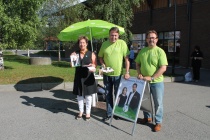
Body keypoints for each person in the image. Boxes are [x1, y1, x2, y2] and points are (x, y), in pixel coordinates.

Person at [135, 30, 168, 132]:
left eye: (153, 38)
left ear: (156, 40)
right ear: (146, 39)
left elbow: (163, 68)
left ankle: (158, 122)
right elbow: (137, 64)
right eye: (149, 38)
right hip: (144, 82)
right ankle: (147, 117)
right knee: (145, 101)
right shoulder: (142, 51)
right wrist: (139, 73)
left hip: (156, 82)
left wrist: (152, 77)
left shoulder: (160, 51)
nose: (151, 40)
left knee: (158, 102)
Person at [98, 27, 130, 121]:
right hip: (107, 75)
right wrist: (103, 64)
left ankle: (117, 113)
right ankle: (109, 113)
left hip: (118, 75)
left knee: (118, 95)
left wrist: (127, 72)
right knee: (108, 94)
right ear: (109, 35)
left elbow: (127, 59)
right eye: (112, 35)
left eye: (115, 35)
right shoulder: (104, 44)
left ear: (118, 35)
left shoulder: (122, 43)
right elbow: (100, 57)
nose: (113, 37)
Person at [71, 36, 97, 121]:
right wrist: (72, 59)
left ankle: (88, 112)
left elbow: (94, 64)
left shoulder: (91, 53)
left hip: (88, 77)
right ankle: (81, 111)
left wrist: (93, 67)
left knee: (88, 96)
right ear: (78, 44)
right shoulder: (75, 53)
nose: (82, 44)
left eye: (83, 42)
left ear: (86, 44)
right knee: (80, 96)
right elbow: (72, 65)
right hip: (79, 76)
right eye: (80, 43)